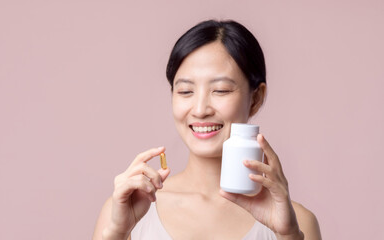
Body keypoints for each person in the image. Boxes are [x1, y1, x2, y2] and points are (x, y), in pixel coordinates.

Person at [93, 19, 321, 240]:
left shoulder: (296, 223)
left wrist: (288, 235)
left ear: (255, 98)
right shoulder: (126, 212)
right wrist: (117, 234)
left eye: (220, 90)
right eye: (185, 91)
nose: (200, 110)